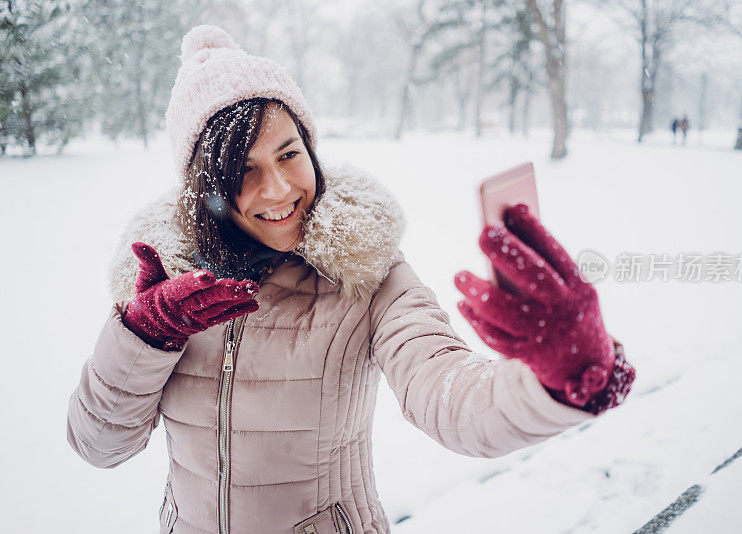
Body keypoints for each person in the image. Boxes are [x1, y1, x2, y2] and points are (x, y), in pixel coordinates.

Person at [66, 25, 635, 534]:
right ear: (206, 189)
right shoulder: (164, 287)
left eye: (289, 155)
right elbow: (98, 445)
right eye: (244, 172)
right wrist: (143, 338)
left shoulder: (364, 272)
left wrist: (563, 373)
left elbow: (448, 395)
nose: (280, 190)